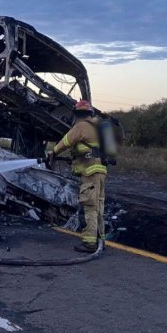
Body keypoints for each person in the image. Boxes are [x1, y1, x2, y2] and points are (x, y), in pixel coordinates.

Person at [51, 100, 107, 253]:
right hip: (101, 172)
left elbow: (66, 141)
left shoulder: (81, 126)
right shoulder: (98, 128)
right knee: (98, 208)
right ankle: (100, 240)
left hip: (90, 173)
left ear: (77, 114)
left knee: (89, 207)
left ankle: (90, 244)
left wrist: (53, 152)